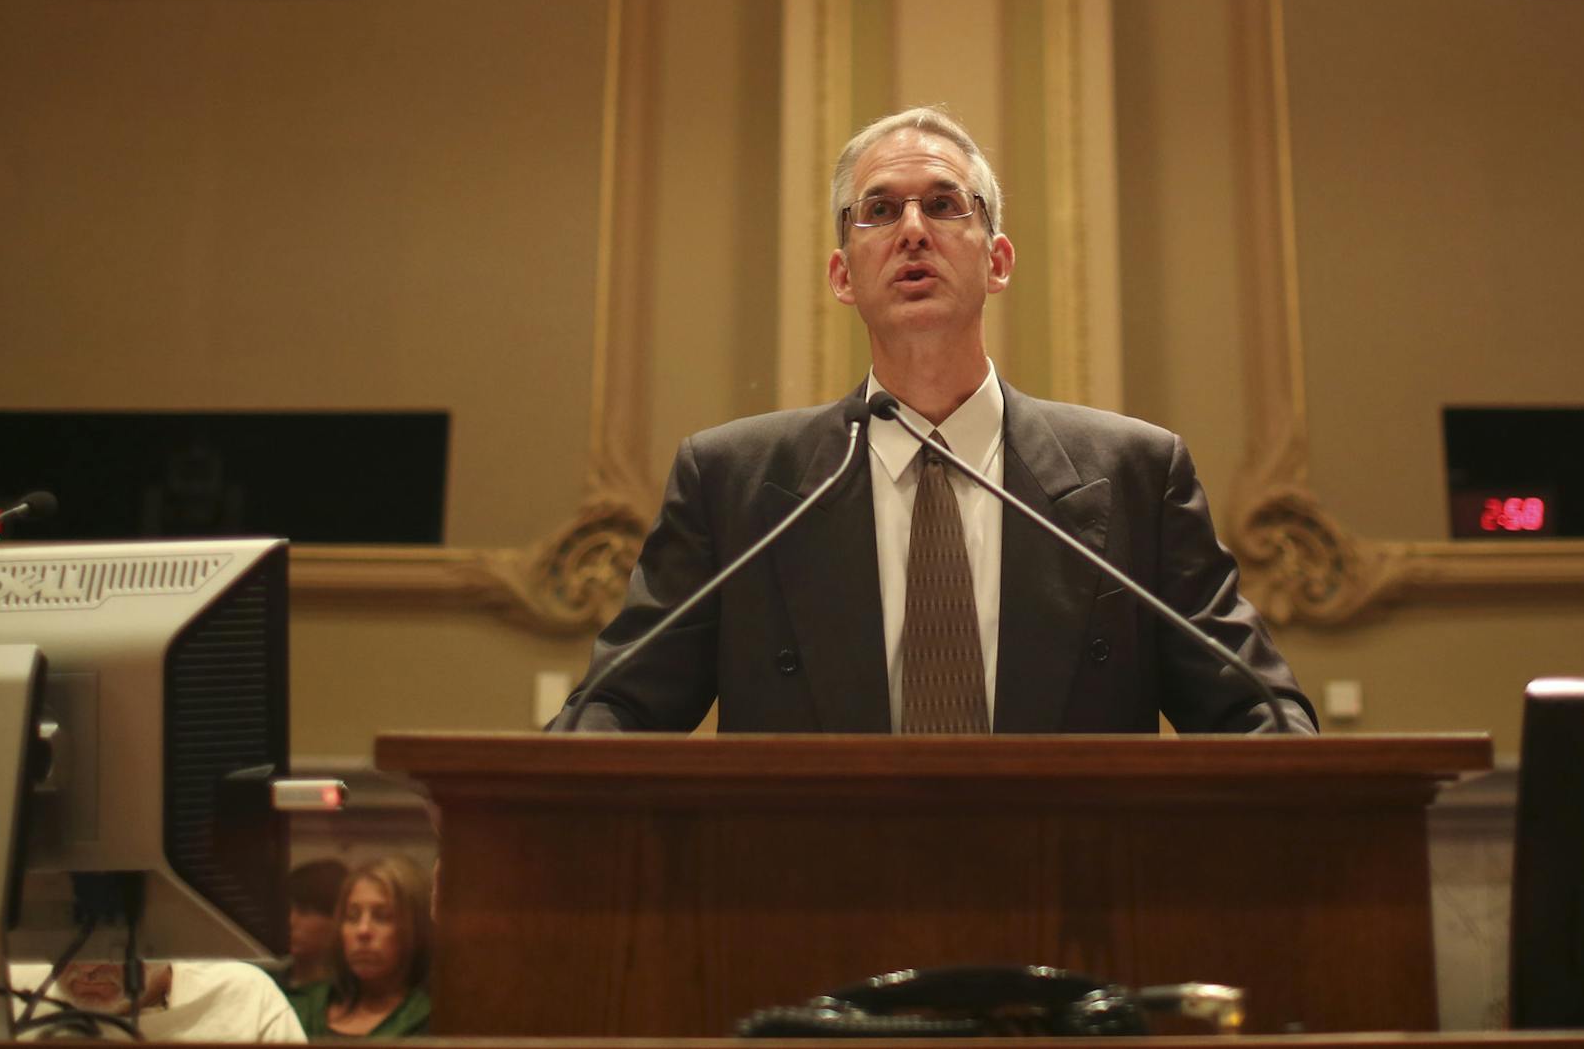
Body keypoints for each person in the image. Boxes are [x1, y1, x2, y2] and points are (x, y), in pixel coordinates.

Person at [556, 105, 1318, 735]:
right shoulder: (735, 483)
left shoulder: (1137, 474)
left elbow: (1254, 707)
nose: (912, 230)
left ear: (997, 260)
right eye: (879, 211)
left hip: (1071, 894)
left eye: (945, 204)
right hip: (806, 896)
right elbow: (618, 708)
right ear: (842, 274)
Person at [286, 856, 430, 1039]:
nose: (363, 931)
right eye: (352, 917)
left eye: (382, 917)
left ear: (416, 927)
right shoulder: (300, 1006)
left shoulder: (432, 1018)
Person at [2, 959, 306, 1041]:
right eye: (72, 947)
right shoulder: (6, 989)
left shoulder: (243, 995)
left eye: (113, 949)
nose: (89, 968)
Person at [283, 859, 348, 992]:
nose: (290, 921)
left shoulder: (348, 996)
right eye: (286, 909)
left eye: (304, 912)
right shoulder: (263, 984)